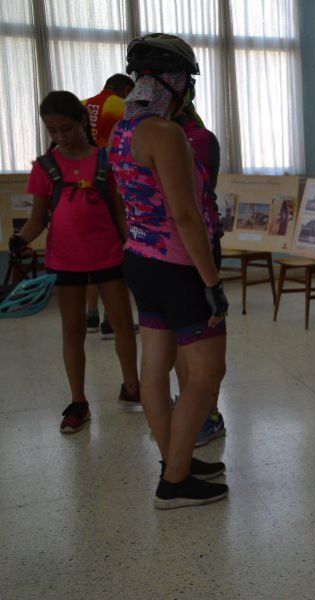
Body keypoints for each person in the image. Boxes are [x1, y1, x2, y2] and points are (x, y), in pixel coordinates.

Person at [109, 33, 228, 509]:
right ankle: (175, 481)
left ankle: (174, 460)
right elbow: (185, 215)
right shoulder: (166, 133)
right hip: (179, 267)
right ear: (175, 83)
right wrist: (212, 283)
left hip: (139, 259)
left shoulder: (123, 130)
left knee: (154, 368)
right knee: (207, 373)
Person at [8, 91, 140, 433]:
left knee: (124, 325)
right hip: (66, 260)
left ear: (82, 120)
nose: (61, 137)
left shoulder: (105, 161)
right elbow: (38, 218)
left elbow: (120, 211)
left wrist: (134, 246)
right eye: (53, 131)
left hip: (108, 255)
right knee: (73, 331)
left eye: (66, 128)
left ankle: (131, 387)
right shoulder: (44, 167)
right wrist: (22, 239)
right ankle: (79, 402)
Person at [172, 93, 226, 447]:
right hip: (166, 249)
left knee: (206, 333)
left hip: (200, 241)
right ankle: (191, 404)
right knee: (180, 334)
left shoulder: (200, 139)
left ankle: (208, 413)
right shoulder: (145, 134)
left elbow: (196, 196)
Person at [83, 74, 135, 338]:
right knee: (117, 253)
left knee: (91, 256)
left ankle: (90, 316)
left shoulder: (82, 104)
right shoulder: (120, 106)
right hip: (112, 183)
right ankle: (110, 320)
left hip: (84, 187)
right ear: (126, 89)